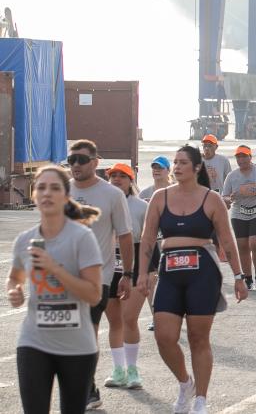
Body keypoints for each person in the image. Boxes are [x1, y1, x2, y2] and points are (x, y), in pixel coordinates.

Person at [137, 145, 248, 414]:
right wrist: (141, 274)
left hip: (203, 273)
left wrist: (239, 276)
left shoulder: (211, 199)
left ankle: (200, 400)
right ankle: (185, 383)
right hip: (170, 271)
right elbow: (148, 238)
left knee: (199, 338)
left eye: (183, 162)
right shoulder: (160, 197)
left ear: (197, 168)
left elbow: (227, 239)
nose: (176, 167)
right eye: (175, 162)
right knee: (164, 336)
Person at [8, 166, 103, 414]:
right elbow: (14, 278)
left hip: (77, 346)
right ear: (34, 195)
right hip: (34, 341)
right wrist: (15, 291)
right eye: (41, 187)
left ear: (66, 196)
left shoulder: (82, 238)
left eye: (54, 188)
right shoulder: (24, 240)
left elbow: (94, 295)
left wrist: (54, 268)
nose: (47, 193)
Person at [66, 140, 133, 410]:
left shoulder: (112, 195)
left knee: (86, 332)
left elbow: (125, 236)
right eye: (71, 160)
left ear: (95, 162)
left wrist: (127, 273)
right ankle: (88, 387)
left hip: (98, 277)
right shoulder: (61, 190)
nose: (76, 165)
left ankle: (85, 389)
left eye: (82, 160)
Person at [101, 164, 148, 391]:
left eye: (122, 176)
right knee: (114, 321)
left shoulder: (141, 207)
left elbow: (150, 242)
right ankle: (118, 370)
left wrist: (149, 271)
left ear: (131, 180)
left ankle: (133, 370)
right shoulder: (101, 204)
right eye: (113, 176)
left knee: (129, 318)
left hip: (136, 265)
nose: (117, 179)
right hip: (109, 265)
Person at [221, 145, 256, 291]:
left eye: (244, 156)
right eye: (238, 157)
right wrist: (229, 198)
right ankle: (248, 278)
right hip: (239, 213)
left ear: (250, 157)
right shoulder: (232, 176)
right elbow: (225, 197)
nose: (241, 160)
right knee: (243, 245)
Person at [139, 156, 172, 332]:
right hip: (152, 243)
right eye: (154, 167)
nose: (156, 170)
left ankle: (174, 313)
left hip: (171, 243)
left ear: (168, 171)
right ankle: (155, 317)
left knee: (170, 281)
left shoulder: (176, 191)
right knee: (151, 280)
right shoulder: (144, 193)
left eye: (160, 167)